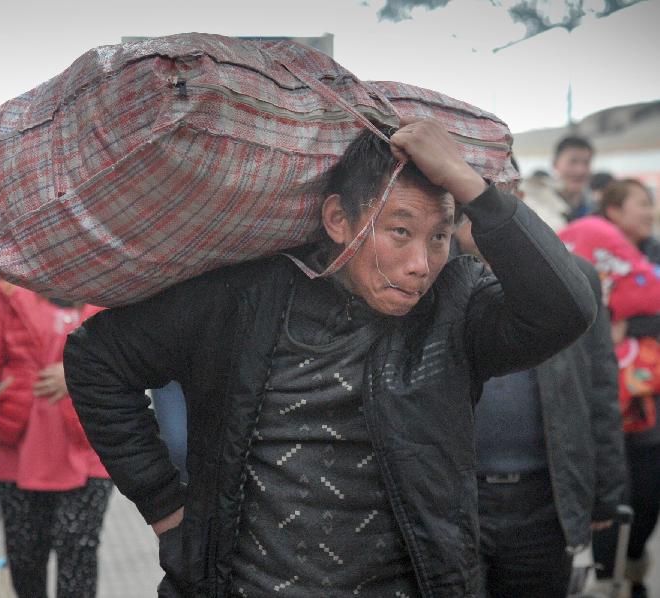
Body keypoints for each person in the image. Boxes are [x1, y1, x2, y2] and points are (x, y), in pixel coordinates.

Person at [64, 119, 596, 597]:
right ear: (339, 219)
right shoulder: (242, 297)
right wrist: (163, 503)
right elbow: (97, 360)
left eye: (438, 236)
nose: (420, 264)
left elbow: (566, 309)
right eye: (400, 231)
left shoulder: (455, 308)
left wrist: (468, 182)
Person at [453, 202, 626, 598]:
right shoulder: (435, 281)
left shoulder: (572, 280)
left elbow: (600, 389)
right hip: (458, 500)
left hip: (545, 502)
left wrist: (605, 493)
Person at [0, 278, 112, 598]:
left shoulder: (109, 289)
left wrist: (76, 373)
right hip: (18, 452)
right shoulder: (7, 293)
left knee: (78, 554)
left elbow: (133, 359)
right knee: (25, 560)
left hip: (88, 448)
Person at [591, 179, 660, 598]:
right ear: (614, 211)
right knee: (610, 496)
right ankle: (608, 579)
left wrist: (628, 325)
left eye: (651, 204)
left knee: (649, 498)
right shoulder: (588, 248)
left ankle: (633, 566)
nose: (649, 212)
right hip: (602, 400)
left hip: (649, 402)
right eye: (642, 204)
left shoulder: (655, 253)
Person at [553, 135, 595, 222]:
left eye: (586, 163)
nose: (580, 171)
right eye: (573, 162)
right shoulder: (540, 208)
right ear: (555, 164)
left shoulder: (596, 208)